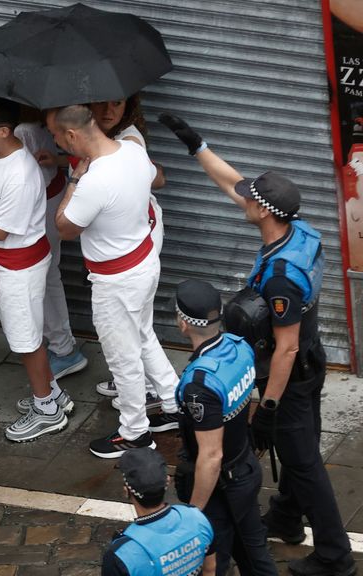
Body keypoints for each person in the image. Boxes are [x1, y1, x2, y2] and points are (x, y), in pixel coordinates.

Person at [160, 113, 357, 576]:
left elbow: (284, 349)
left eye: (251, 200)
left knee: (304, 460)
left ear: (264, 211)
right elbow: (234, 183)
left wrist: (266, 407)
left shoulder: (282, 279)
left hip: (292, 372)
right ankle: (288, 518)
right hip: (312, 359)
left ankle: (335, 556)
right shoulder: (297, 230)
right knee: (301, 446)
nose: (242, 199)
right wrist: (196, 144)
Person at [47, 104, 180, 458]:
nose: (58, 143)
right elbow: (155, 177)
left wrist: (74, 179)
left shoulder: (93, 181)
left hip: (116, 280)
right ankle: (173, 403)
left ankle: (135, 433)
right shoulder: (135, 152)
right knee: (143, 335)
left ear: (73, 136)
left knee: (123, 358)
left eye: (59, 137)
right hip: (144, 261)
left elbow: (64, 228)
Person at [0, 94, 72, 442]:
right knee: (28, 334)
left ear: (4, 130)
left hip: (21, 267)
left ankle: (47, 410)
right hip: (4, 260)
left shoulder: (22, 174)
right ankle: (53, 394)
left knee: (26, 340)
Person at [171, 279, 278, 576]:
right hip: (245, 467)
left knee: (214, 563)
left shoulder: (199, 385)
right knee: (254, 553)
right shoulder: (239, 347)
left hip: (222, 486)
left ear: (183, 324)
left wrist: (193, 513)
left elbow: (211, 456)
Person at [89, 95, 171, 412]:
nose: (109, 110)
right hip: (134, 236)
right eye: (102, 103)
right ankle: (150, 388)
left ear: (129, 106)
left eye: (118, 104)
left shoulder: (129, 140)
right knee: (137, 324)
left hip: (140, 237)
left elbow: (157, 177)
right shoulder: (107, 138)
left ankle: (145, 390)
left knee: (134, 324)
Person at [15, 106, 88, 381]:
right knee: (49, 275)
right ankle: (62, 345)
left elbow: (32, 181)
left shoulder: (24, 130)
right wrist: (58, 160)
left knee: (44, 277)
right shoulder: (43, 125)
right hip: (53, 201)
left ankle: (63, 348)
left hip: (42, 208)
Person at [102, 447, 215, 576]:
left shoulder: (122, 554)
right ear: (168, 481)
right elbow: (210, 570)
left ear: (126, 491)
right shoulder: (198, 519)